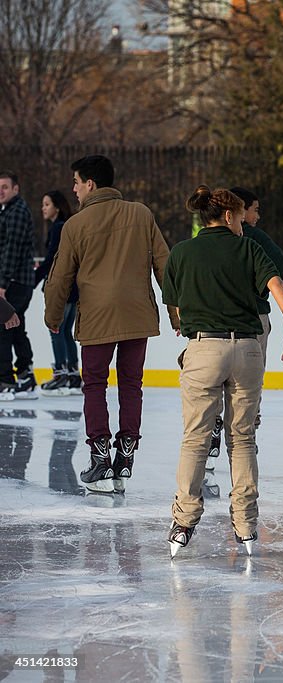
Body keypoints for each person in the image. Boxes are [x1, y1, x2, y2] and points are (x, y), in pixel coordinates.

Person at [163, 186, 283, 558]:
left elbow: (174, 309)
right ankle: (246, 526)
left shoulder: (181, 252)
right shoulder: (248, 249)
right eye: (242, 217)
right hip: (246, 350)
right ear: (228, 216)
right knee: (241, 439)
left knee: (195, 438)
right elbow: (278, 289)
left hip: (203, 349)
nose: (244, 223)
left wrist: (188, 323)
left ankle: (183, 522)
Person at [43, 155, 178, 493]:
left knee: (94, 385)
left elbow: (59, 279)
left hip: (98, 317)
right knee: (132, 384)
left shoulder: (75, 225)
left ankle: (100, 457)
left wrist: (53, 317)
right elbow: (166, 267)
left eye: (76, 182)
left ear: (91, 183)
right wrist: (177, 314)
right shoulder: (141, 214)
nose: (73, 189)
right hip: (137, 314)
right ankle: (126, 456)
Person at [202, 187, 283, 467]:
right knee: (247, 390)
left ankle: (214, 423)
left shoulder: (200, 242)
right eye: (255, 210)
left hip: (210, 325)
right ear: (238, 211)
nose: (257, 217)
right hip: (252, 324)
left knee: (212, 383)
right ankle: (246, 438)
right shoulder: (252, 239)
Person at [35, 190, 81, 396]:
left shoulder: (58, 228)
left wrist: (33, 280)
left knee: (56, 330)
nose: (43, 208)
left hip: (63, 289)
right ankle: (72, 375)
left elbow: (51, 261)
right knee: (65, 332)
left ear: (57, 207)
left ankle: (62, 374)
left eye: (46, 204)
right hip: (73, 289)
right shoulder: (69, 227)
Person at [0, 170, 38, 400]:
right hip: (19, 282)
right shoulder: (9, 211)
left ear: (16, 189)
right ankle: (25, 374)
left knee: (3, 328)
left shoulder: (16, 212)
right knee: (14, 327)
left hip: (13, 282)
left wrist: (2, 284)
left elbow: (10, 252)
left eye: (5, 186)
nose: (1, 191)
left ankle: (5, 380)